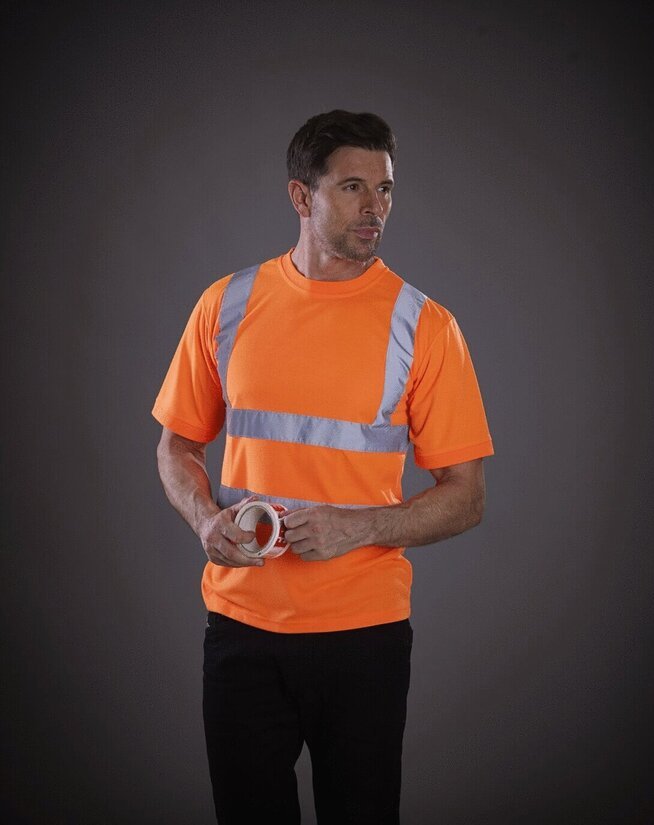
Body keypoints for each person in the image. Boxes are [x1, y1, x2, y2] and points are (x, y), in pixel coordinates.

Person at [153, 109, 494, 825]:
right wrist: (206, 520)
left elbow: (466, 496)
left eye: (385, 188)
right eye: (352, 187)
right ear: (301, 197)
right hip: (241, 630)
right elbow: (176, 445)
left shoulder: (425, 326)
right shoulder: (226, 304)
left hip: (363, 637)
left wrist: (359, 527)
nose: (375, 207)